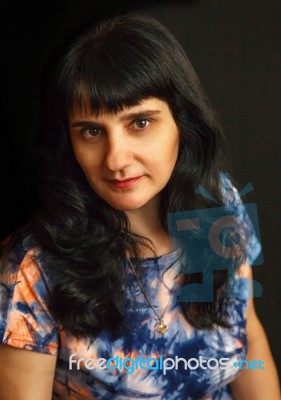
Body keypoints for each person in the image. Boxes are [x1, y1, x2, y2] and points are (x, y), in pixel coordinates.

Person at [0, 10, 279, 400]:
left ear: (182, 121)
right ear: (69, 143)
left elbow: (249, 339)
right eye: (92, 131)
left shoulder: (217, 206)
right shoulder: (34, 268)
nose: (116, 159)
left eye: (140, 123)